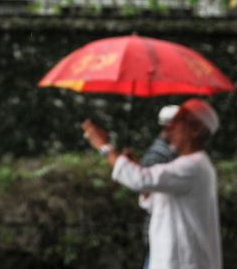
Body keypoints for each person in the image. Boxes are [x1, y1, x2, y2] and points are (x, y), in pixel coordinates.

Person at [82, 99, 222, 269]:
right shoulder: (191, 165)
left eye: (177, 123)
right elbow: (154, 196)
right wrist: (136, 168)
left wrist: (104, 146)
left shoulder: (193, 166)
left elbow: (140, 180)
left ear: (195, 129)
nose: (169, 129)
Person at [139, 105, 179, 266]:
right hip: (160, 230)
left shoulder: (170, 151)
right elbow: (146, 192)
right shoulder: (158, 155)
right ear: (170, 126)